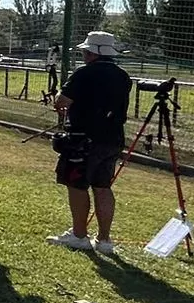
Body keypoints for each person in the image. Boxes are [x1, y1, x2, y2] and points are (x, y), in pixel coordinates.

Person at [49, 31, 135, 254]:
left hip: (84, 139)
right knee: (103, 186)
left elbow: (62, 101)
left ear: (93, 52)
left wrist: (60, 97)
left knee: (77, 185)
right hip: (113, 138)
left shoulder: (84, 73)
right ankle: (104, 240)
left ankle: (79, 235)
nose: (84, 55)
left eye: (86, 51)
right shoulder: (123, 76)